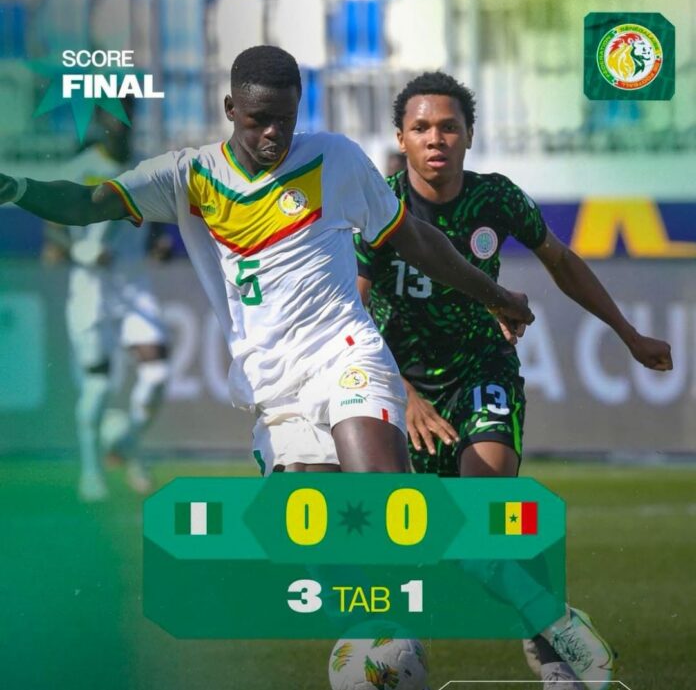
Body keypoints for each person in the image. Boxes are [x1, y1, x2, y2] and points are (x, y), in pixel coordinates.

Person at [0, 45, 532, 479]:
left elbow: (415, 240)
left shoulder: (334, 158)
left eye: (285, 119)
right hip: (273, 383)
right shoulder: (188, 176)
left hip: (346, 354)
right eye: (259, 120)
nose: (273, 133)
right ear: (231, 109)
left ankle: (433, 580)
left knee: (379, 494)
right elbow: (86, 203)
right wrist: (16, 188)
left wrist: (497, 296)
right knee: (314, 535)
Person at [355, 72, 672, 688]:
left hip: (482, 371)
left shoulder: (495, 198)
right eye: (421, 128)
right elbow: (354, 311)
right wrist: (405, 396)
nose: (436, 138)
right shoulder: (378, 207)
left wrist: (628, 334)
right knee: (419, 538)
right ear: (401, 137)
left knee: (485, 517)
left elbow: (560, 260)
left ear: (470, 135)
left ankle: (551, 650)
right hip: (401, 386)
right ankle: (431, 636)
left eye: (449, 126)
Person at [44, 101, 170, 501]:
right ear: (100, 119)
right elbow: (54, 229)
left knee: (157, 374)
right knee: (98, 387)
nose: (123, 121)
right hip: (91, 291)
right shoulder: (79, 169)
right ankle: (91, 472)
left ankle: (125, 440)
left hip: (133, 285)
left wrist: (158, 245)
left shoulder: (145, 168)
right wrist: (80, 251)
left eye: (129, 111)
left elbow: (152, 223)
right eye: (115, 112)